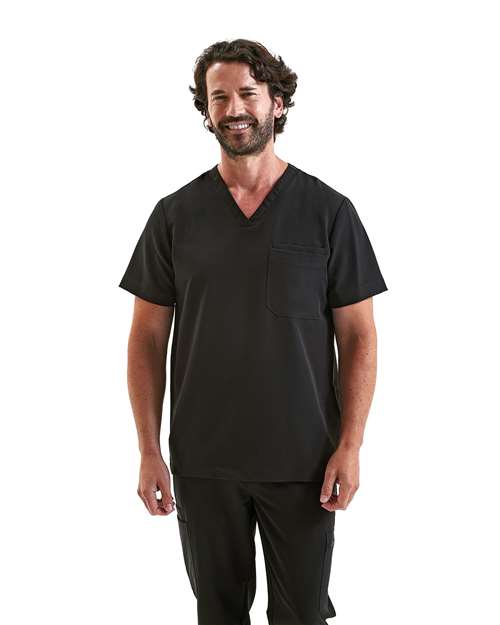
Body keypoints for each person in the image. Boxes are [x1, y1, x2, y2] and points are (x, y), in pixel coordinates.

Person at [119, 38, 388, 625]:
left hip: (304, 462)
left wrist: (350, 445)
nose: (234, 108)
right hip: (204, 461)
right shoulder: (174, 216)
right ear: (206, 110)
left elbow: (359, 337)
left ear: (277, 103)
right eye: (219, 97)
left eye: (248, 93)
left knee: (302, 614)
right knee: (217, 613)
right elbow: (146, 339)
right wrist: (148, 450)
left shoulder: (328, 212)